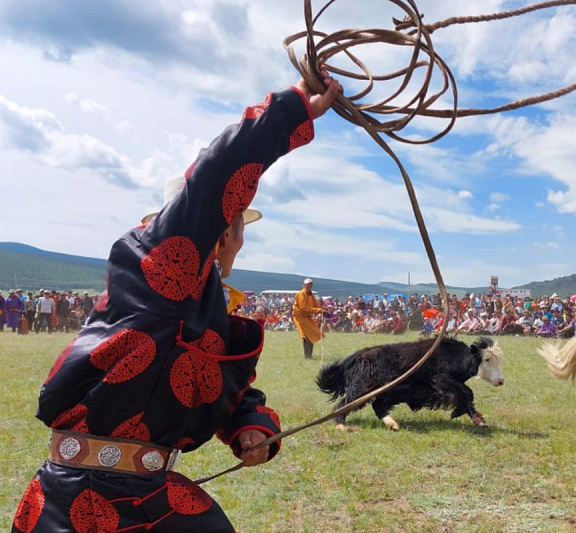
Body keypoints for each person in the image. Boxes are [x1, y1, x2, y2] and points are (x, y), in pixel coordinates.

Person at [11, 73, 342, 532]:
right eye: (240, 230)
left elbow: (211, 382)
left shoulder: (205, 303)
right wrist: (293, 108)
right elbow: (216, 174)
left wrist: (249, 423)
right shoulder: (167, 266)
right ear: (226, 231)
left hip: (137, 493)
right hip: (87, 501)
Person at [292, 278, 325, 359]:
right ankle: (307, 356)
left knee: (312, 334)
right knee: (306, 336)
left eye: (311, 284)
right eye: (308, 284)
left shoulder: (311, 294)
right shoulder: (301, 294)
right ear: (304, 285)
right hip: (300, 316)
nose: (310, 285)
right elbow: (303, 308)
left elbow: (316, 305)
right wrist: (319, 310)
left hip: (307, 316)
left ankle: (309, 355)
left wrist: (321, 310)